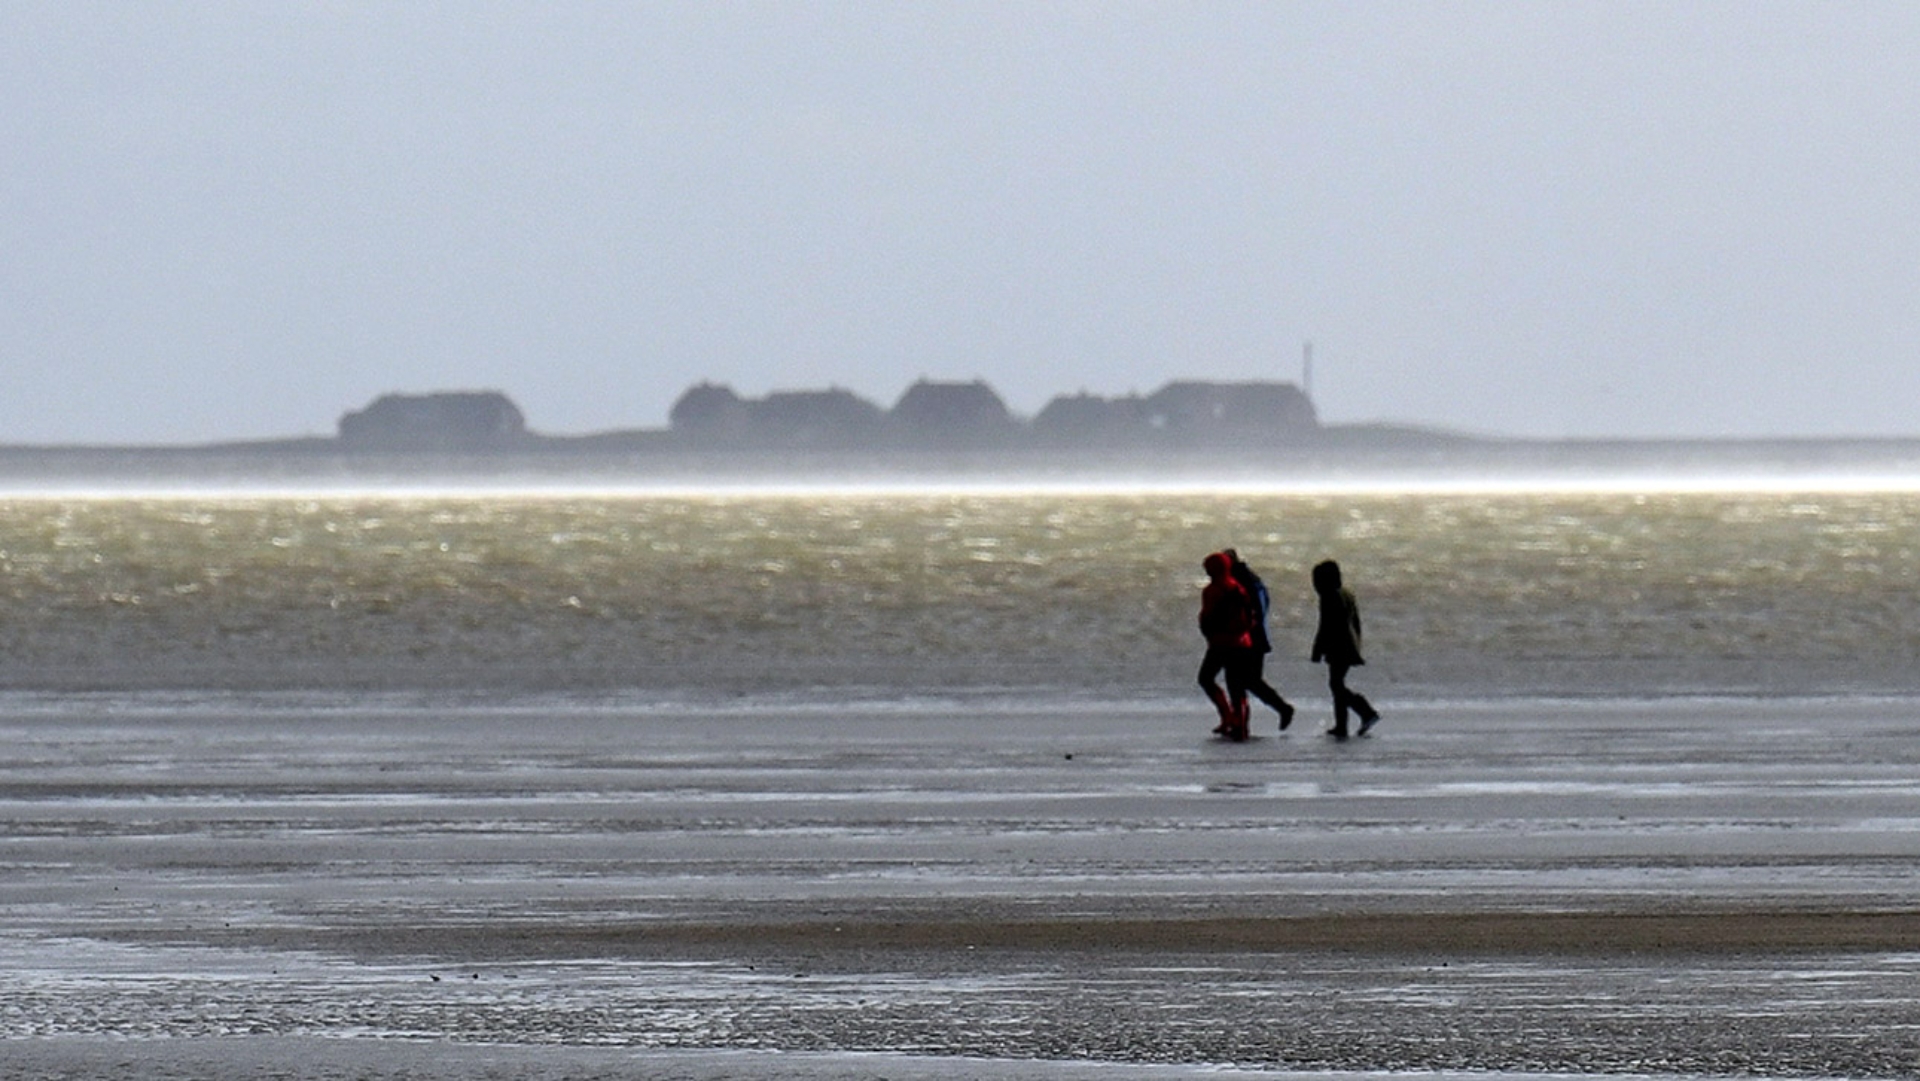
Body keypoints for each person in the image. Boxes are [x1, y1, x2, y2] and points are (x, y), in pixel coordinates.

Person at [1223, 549, 1296, 731]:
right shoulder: (1253, 580)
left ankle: (1279, 709)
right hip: (1258, 637)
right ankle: (1246, 719)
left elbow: (1246, 611)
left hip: (1249, 638)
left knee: (1242, 680)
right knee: (1247, 680)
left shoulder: (1240, 582)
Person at [1310, 559, 1380, 739]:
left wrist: (1318, 649)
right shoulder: (1346, 593)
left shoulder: (1329, 596)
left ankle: (1364, 712)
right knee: (1337, 684)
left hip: (1339, 646)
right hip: (1349, 644)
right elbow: (1354, 622)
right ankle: (1342, 724)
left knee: (1336, 684)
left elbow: (1326, 625)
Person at [1196, 552, 1256, 740]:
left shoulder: (1212, 591)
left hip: (1221, 643)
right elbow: (1250, 617)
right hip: (1242, 642)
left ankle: (1227, 717)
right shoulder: (1238, 588)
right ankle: (1241, 723)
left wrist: (1209, 634)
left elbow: (1207, 618)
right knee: (1236, 686)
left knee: (1206, 679)